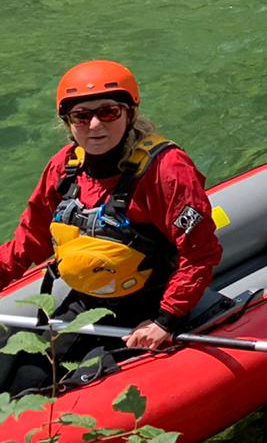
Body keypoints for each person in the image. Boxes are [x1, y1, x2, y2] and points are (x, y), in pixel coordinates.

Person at [0, 61, 222, 394]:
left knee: (81, 386)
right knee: (22, 375)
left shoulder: (166, 170)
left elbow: (200, 252)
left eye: (108, 112)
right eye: (81, 116)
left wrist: (166, 319)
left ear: (129, 114)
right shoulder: (65, 167)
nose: (94, 125)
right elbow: (29, 240)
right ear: (68, 122)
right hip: (87, 300)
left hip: (151, 303)